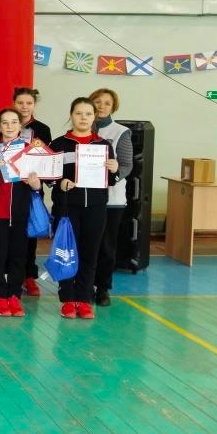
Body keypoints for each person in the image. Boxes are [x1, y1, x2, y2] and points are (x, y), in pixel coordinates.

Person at [48, 97, 120, 320]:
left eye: (88, 114)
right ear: (71, 115)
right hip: (67, 208)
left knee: (90, 254)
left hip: (96, 209)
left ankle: (84, 298)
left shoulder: (104, 145)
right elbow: (48, 176)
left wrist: (114, 169)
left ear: (94, 117)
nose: (83, 118)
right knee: (67, 253)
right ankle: (68, 299)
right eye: (78, 113)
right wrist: (60, 182)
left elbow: (111, 179)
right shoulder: (58, 144)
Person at [0, 108, 42, 318]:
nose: (9, 126)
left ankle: (15, 296)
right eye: (5, 122)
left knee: (18, 256)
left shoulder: (30, 150)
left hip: (20, 213)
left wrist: (35, 184)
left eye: (14, 122)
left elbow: (38, 186)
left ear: (20, 126)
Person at [90, 88, 133, 306]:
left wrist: (114, 174)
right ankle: (85, 286)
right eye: (98, 101)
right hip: (85, 199)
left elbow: (126, 165)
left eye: (107, 103)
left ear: (113, 107)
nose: (102, 106)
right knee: (87, 246)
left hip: (111, 199)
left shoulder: (120, 132)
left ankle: (103, 288)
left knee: (106, 247)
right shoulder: (81, 128)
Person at [14, 86, 52, 297]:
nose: (24, 107)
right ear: (14, 104)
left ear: (34, 104)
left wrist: (38, 181)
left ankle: (29, 275)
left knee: (31, 233)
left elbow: (48, 159)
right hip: (11, 187)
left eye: (28, 103)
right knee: (13, 234)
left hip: (33, 187)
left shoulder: (42, 129)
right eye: (20, 103)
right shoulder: (7, 123)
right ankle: (12, 274)